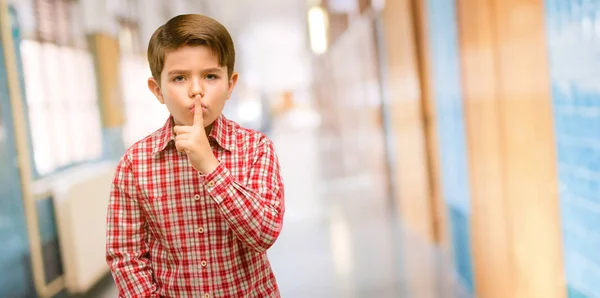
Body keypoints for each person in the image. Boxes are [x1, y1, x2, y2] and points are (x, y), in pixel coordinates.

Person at [105, 14, 285, 298]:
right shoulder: (135, 164)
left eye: (211, 76)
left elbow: (264, 234)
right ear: (157, 90)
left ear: (230, 84)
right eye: (179, 78)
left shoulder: (256, 148)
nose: (196, 90)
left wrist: (210, 167)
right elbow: (126, 255)